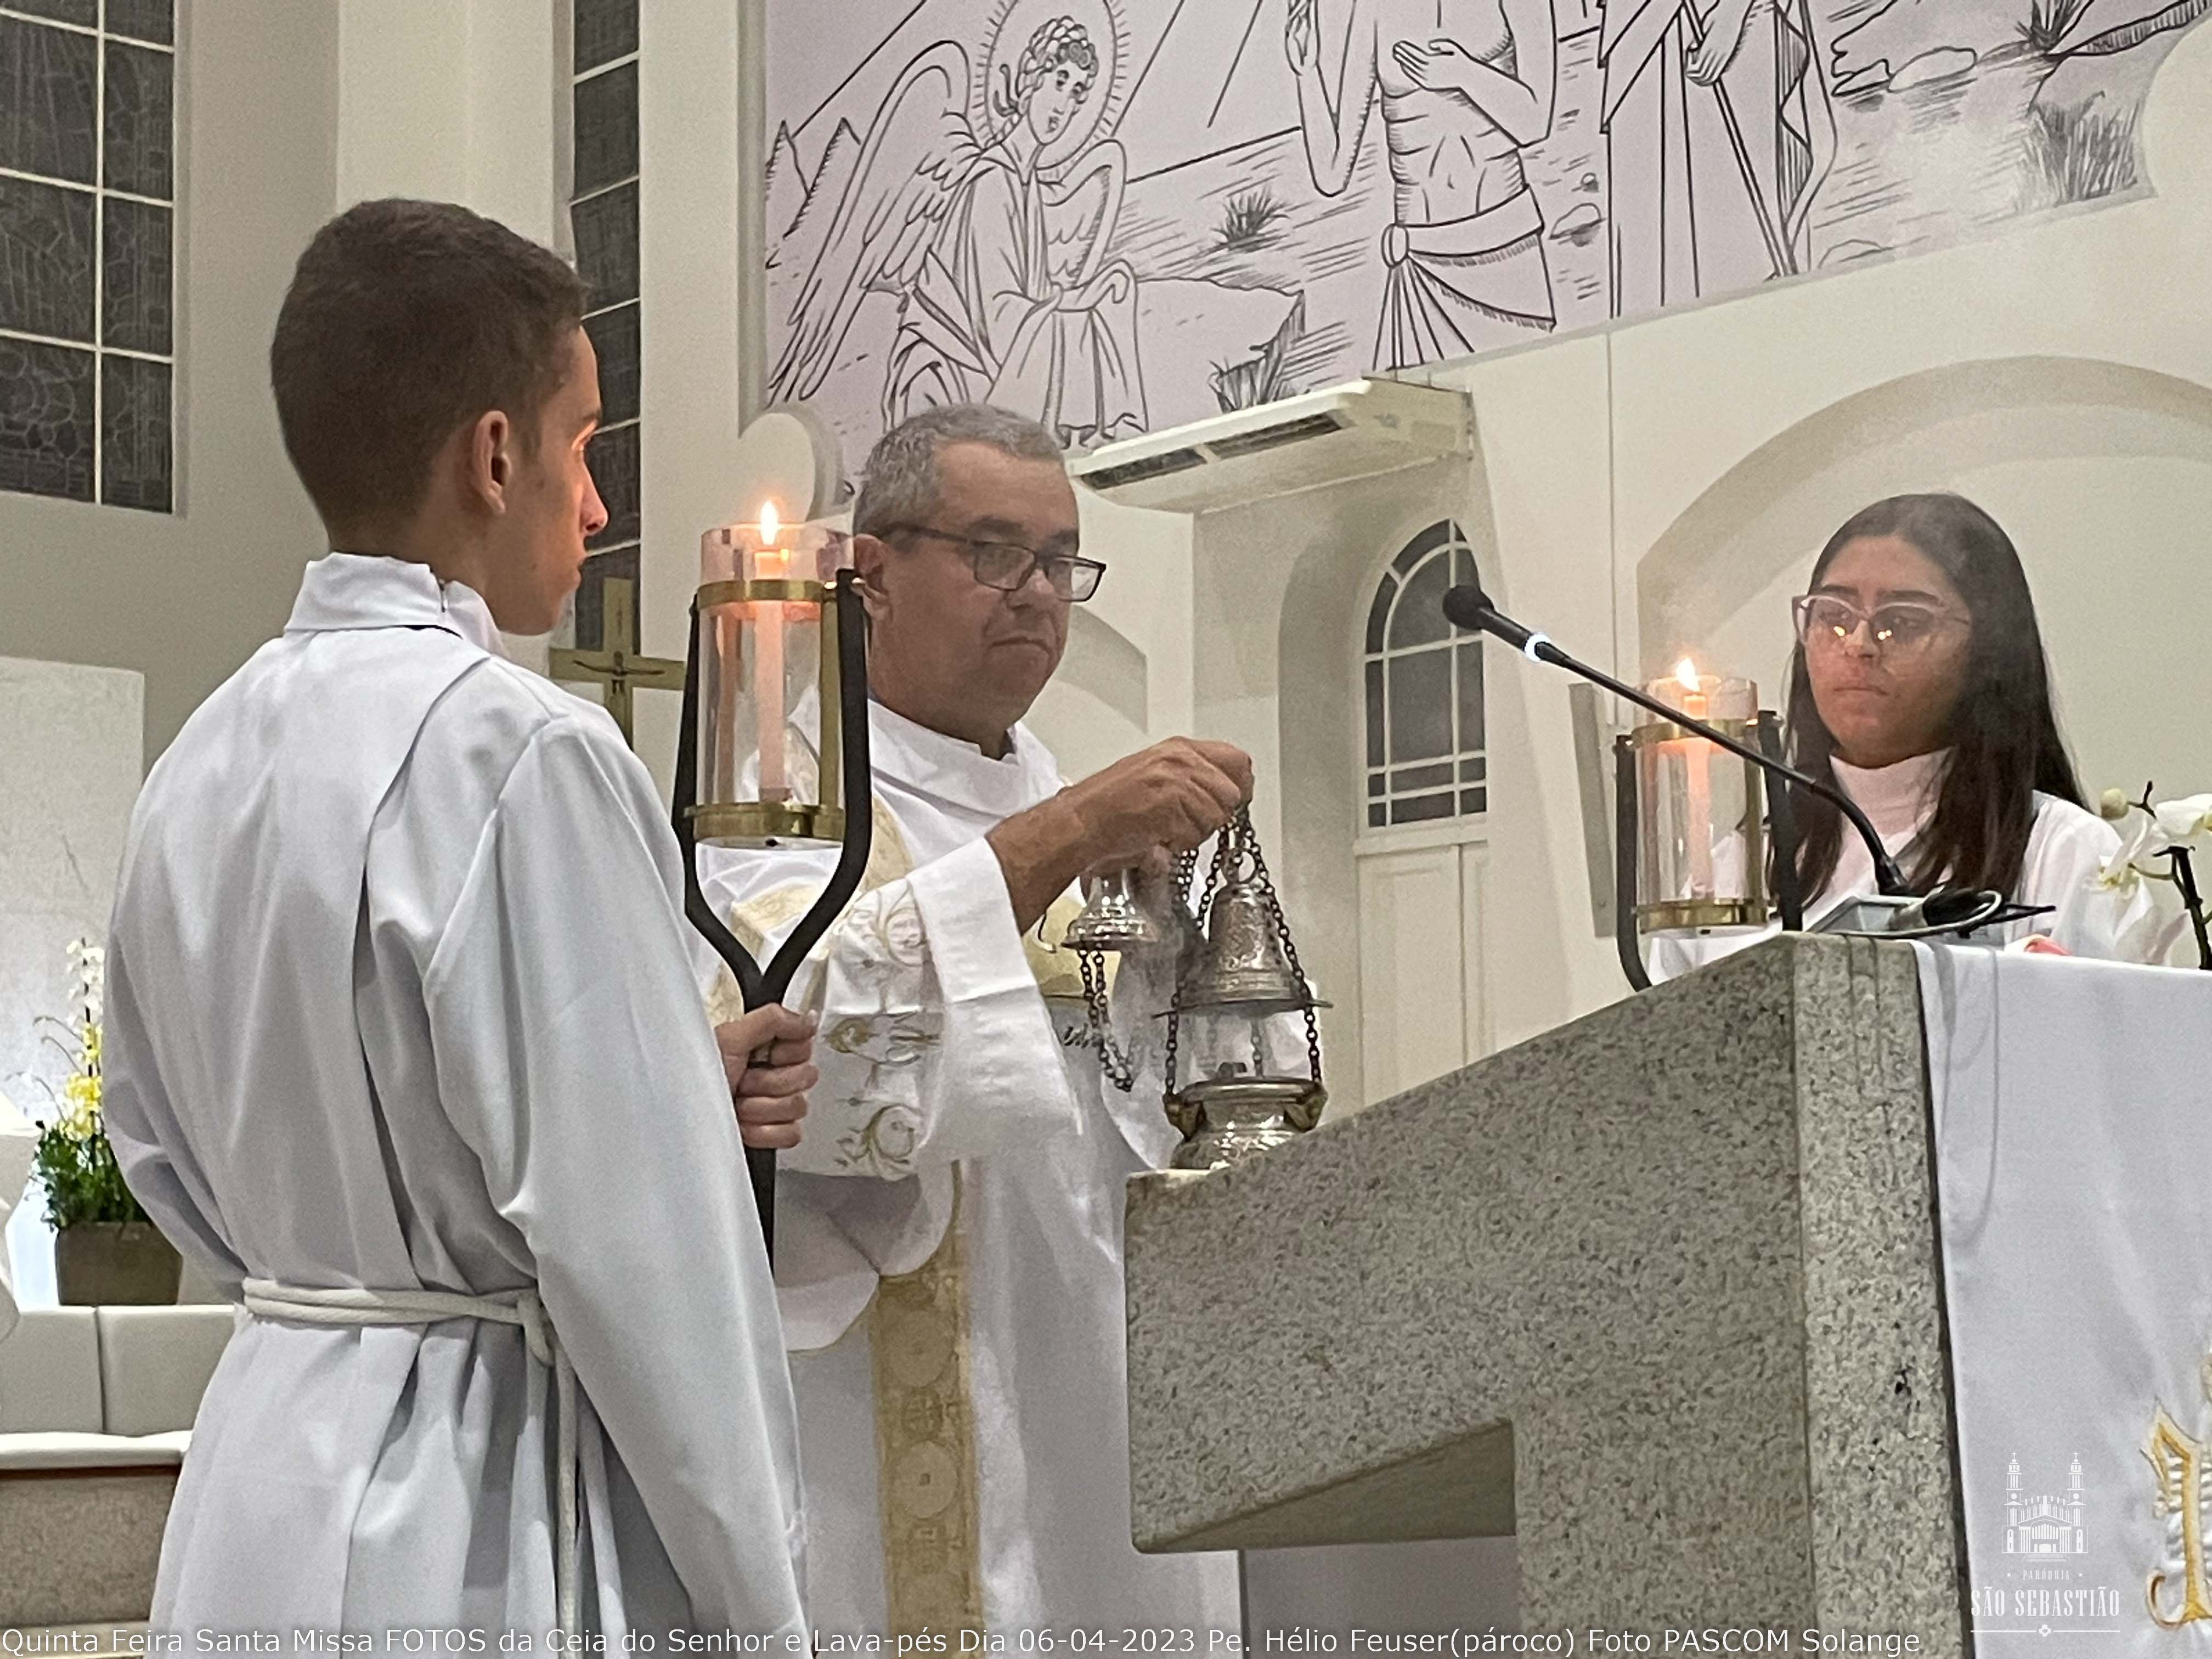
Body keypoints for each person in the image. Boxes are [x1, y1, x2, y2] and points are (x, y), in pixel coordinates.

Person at [100, 200, 812, 1638]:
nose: (596, 505)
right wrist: (768, 1607)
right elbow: (652, 1266)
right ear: (495, 456)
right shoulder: (521, 752)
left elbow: (160, 1146)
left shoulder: (200, 758)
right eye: (583, 445)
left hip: (261, 1465)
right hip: (476, 1498)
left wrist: (657, 1085)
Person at [696, 404, 1250, 1634]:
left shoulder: (1087, 808)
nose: (1038, 593)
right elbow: (795, 1043)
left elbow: (1178, 1108)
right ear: (873, 574)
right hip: (893, 1412)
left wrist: (1185, 935)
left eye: (1060, 560)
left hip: (1099, 1381)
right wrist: (1064, 837)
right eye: (995, 552)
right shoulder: (784, 808)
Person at [1656, 493, 2165, 972]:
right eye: (1834, 616)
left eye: (1902, 622)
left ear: (1986, 651)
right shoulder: (1732, 873)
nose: (1859, 645)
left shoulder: (2066, 852)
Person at [1285, 0, 1558, 368]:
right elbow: (1332, 173)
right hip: (1420, 260)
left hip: (1508, 245)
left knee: (1532, 386)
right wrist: (1306, 73)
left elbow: (1535, 123)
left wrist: (1464, 74)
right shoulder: (1372, 10)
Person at [1599, 0, 1834, 316]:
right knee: (1652, 256)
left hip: (1718, 26)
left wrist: (1731, 12)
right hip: (1638, 33)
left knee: (1748, 249)